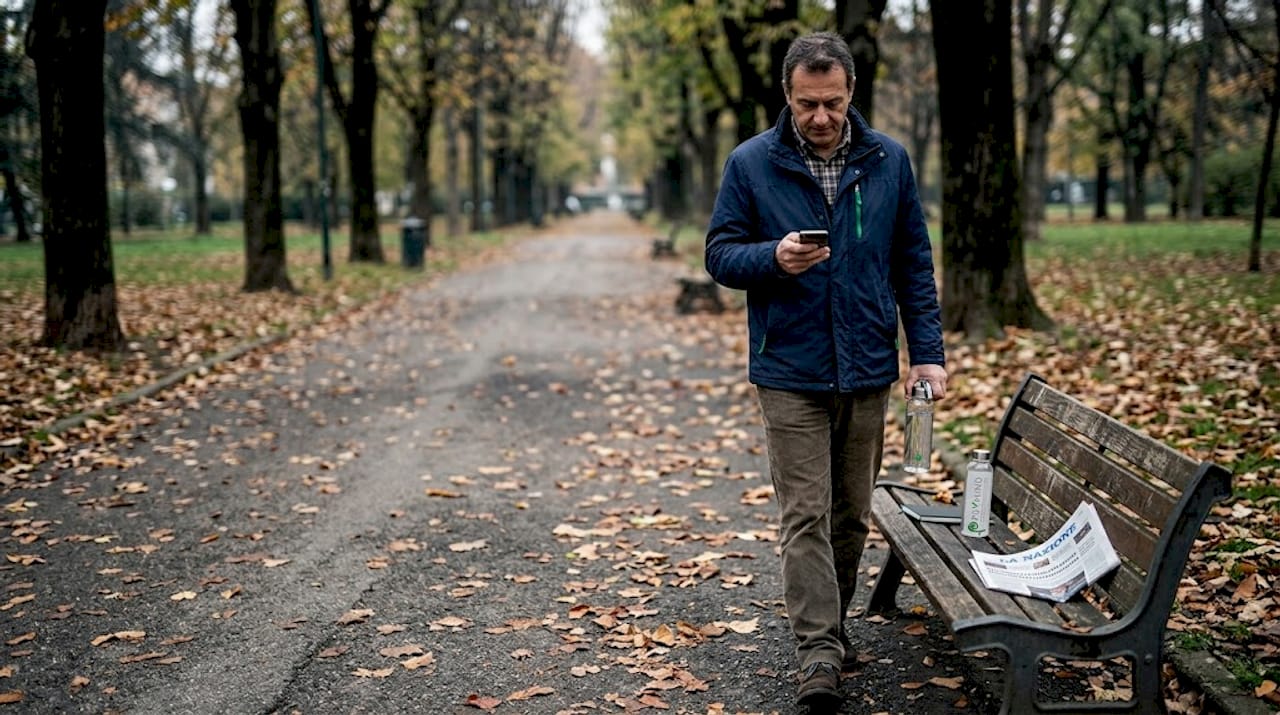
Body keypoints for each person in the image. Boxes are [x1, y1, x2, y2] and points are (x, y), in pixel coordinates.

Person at [704, 31, 947, 710]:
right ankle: (817, 652)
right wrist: (772, 258)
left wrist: (926, 352)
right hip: (788, 369)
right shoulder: (751, 164)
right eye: (807, 103)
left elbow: (914, 266)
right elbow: (720, 254)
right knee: (805, 514)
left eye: (832, 103)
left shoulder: (888, 160)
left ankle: (831, 628)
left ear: (851, 95)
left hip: (868, 365)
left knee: (850, 516)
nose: (820, 117)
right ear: (787, 95)